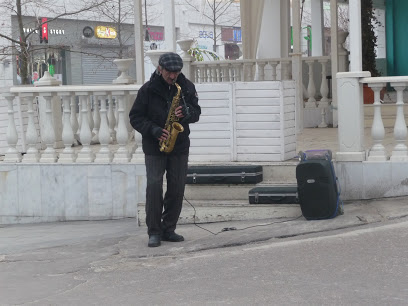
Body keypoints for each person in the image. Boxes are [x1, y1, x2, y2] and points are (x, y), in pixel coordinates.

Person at [129, 52, 201, 247]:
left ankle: (169, 228)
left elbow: (196, 113)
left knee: (177, 187)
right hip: (155, 145)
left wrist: (186, 113)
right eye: (169, 72)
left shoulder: (185, 87)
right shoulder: (147, 90)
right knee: (154, 187)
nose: (173, 76)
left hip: (179, 145)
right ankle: (154, 231)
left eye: (176, 72)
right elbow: (135, 117)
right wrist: (153, 129)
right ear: (160, 69)